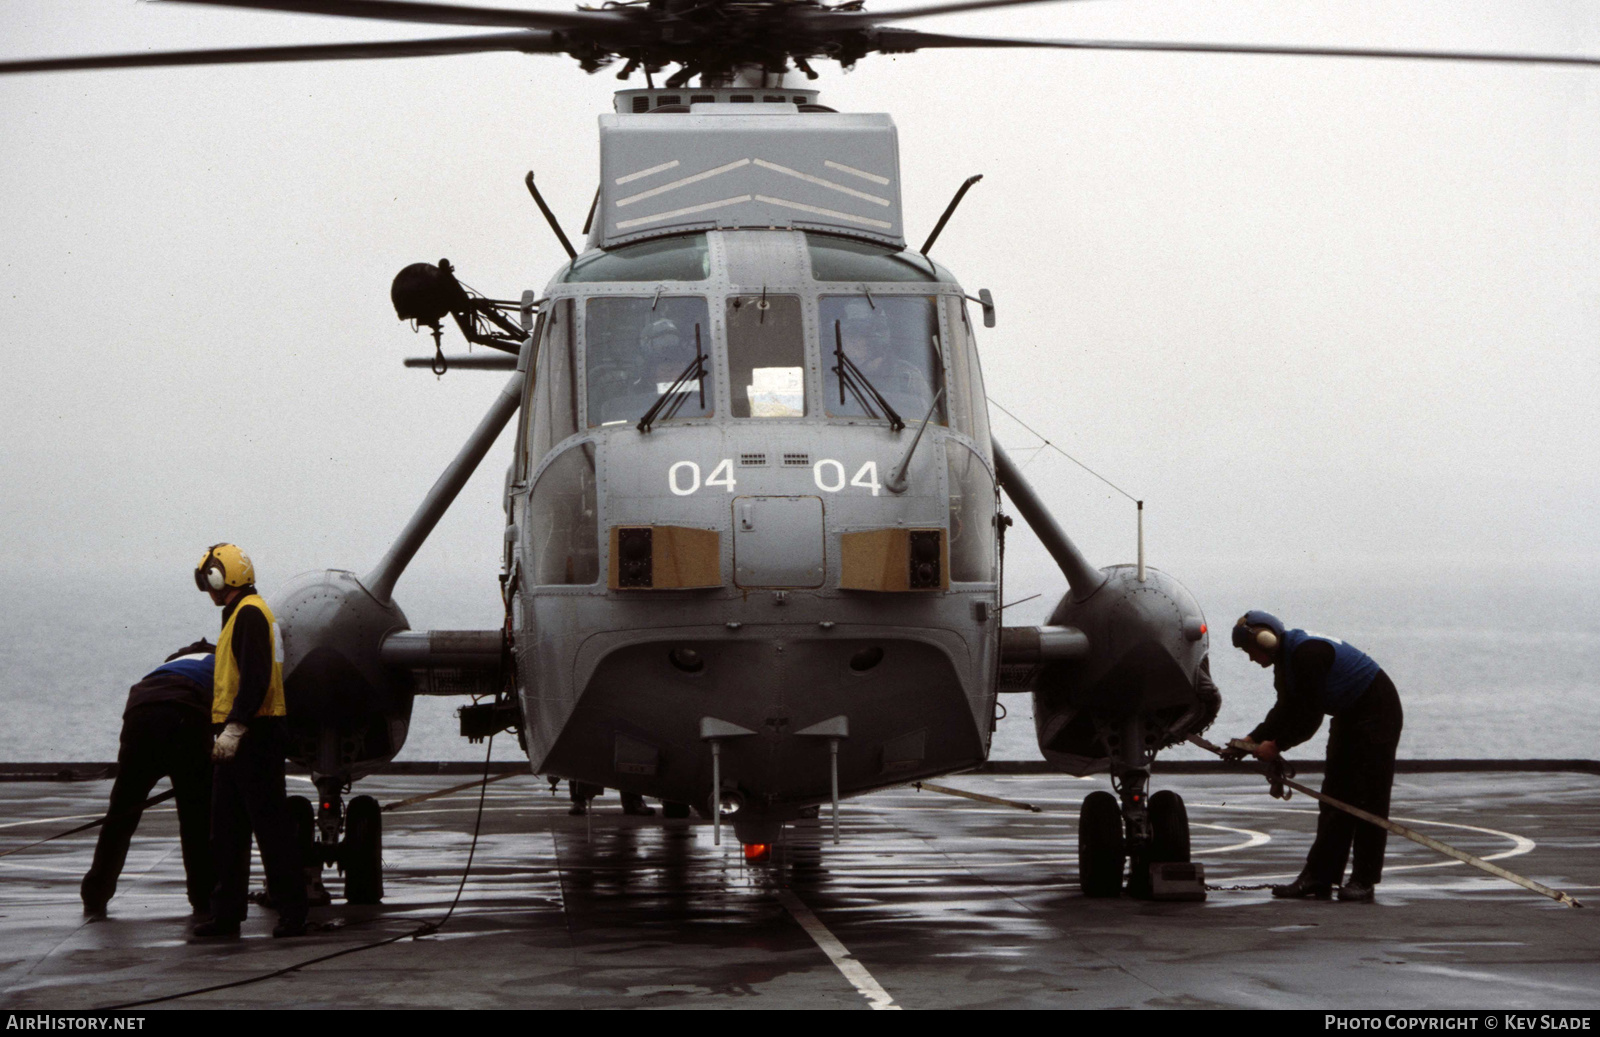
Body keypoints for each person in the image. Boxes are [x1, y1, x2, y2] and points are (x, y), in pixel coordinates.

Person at [1223, 610, 1404, 903]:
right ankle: (1320, 877)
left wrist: (1276, 745)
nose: (1251, 659)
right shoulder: (1286, 660)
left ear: (1265, 640)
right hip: (1350, 714)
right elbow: (1286, 708)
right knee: (1334, 796)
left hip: (1377, 712)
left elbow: (1309, 717)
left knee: (1369, 798)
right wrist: (1253, 738)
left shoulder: (1308, 655)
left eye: (1249, 651)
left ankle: (1364, 880)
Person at [189, 543, 309, 939]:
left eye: (212, 580)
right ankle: (226, 916)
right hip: (239, 736)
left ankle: (293, 912)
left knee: (270, 829)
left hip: (254, 737)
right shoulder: (239, 614)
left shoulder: (250, 615)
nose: (209, 589)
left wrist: (236, 728)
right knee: (226, 831)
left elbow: (255, 679)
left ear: (228, 578)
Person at [81, 640, 218, 918]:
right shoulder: (221, 663)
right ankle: (203, 898)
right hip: (186, 715)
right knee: (195, 818)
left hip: (140, 713)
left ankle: (95, 895)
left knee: (121, 814)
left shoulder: (168, 665)